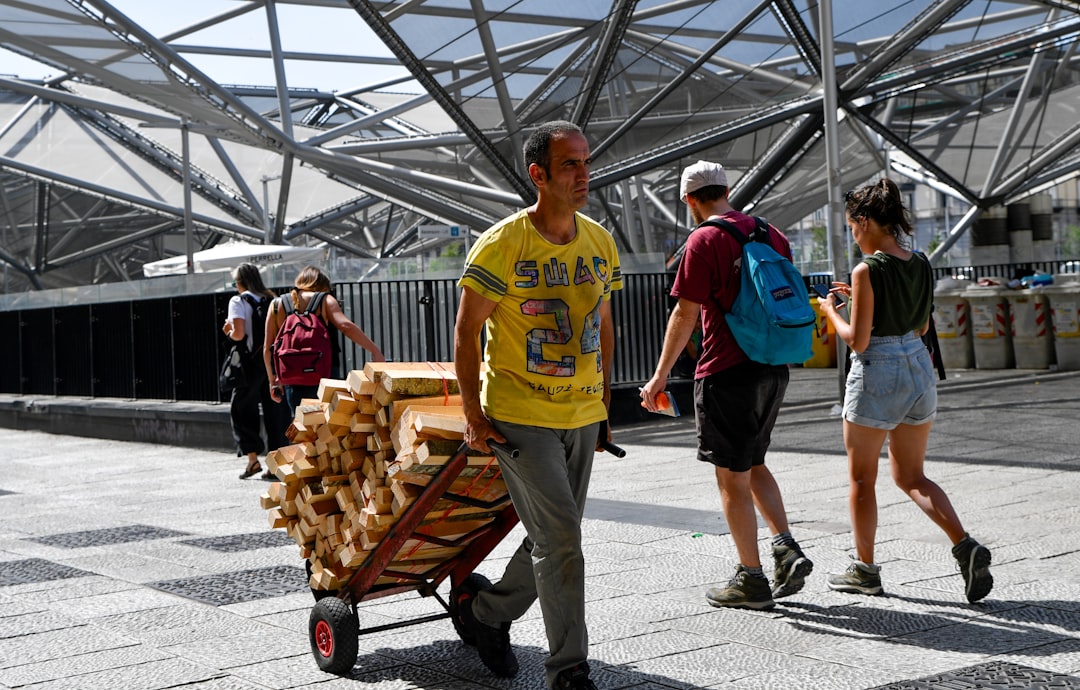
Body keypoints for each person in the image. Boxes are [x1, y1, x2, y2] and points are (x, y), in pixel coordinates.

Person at [451, 120, 621, 690]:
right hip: (520, 414)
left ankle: (486, 612)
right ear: (538, 175)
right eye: (570, 163)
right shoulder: (503, 243)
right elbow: (467, 332)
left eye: (586, 161)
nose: (584, 173)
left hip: (582, 412)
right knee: (562, 538)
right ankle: (568, 668)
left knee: (556, 535)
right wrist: (474, 416)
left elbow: (603, 322)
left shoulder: (599, 241)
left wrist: (603, 401)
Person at [639, 160, 813, 611]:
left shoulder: (704, 239)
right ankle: (785, 546)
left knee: (730, 477)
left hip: (726, 370)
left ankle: (751, 579)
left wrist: (659, 375)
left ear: (688, 200)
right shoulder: (771, 233)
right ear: (726, 190)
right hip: (773, 366)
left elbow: (686, 312)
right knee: (753, 461)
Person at [817, 179, 993, 603]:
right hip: (918, 367)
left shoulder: (867, 270)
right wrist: (862, 301)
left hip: (879, 371)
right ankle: (964, 545)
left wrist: (830, 312)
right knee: (912, 476)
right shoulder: (920, 262)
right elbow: (921, 324)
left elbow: (858, 341)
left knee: (862, 478)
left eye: (852, 227)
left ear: (864, 221)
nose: (853, 235)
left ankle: (865, 570)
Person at [263, 265, 385, 417]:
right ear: (323, 285)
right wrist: (374, 350)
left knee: (302, 422)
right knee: (328, 421)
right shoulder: (324, 300)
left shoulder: (276, 304)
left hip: (291, 376)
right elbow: (345, 326)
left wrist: (273, 380)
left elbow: (267, 348)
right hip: (324, 374)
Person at [223, 263, 289, 479]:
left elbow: (239, 334)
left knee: (240, 409)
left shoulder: (238, 301)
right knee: (275, 413)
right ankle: (275, 465)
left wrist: (228, 330)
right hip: (272, 363)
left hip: (249, 365)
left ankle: (253, 459)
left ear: (240, 282)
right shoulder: (272, 299)